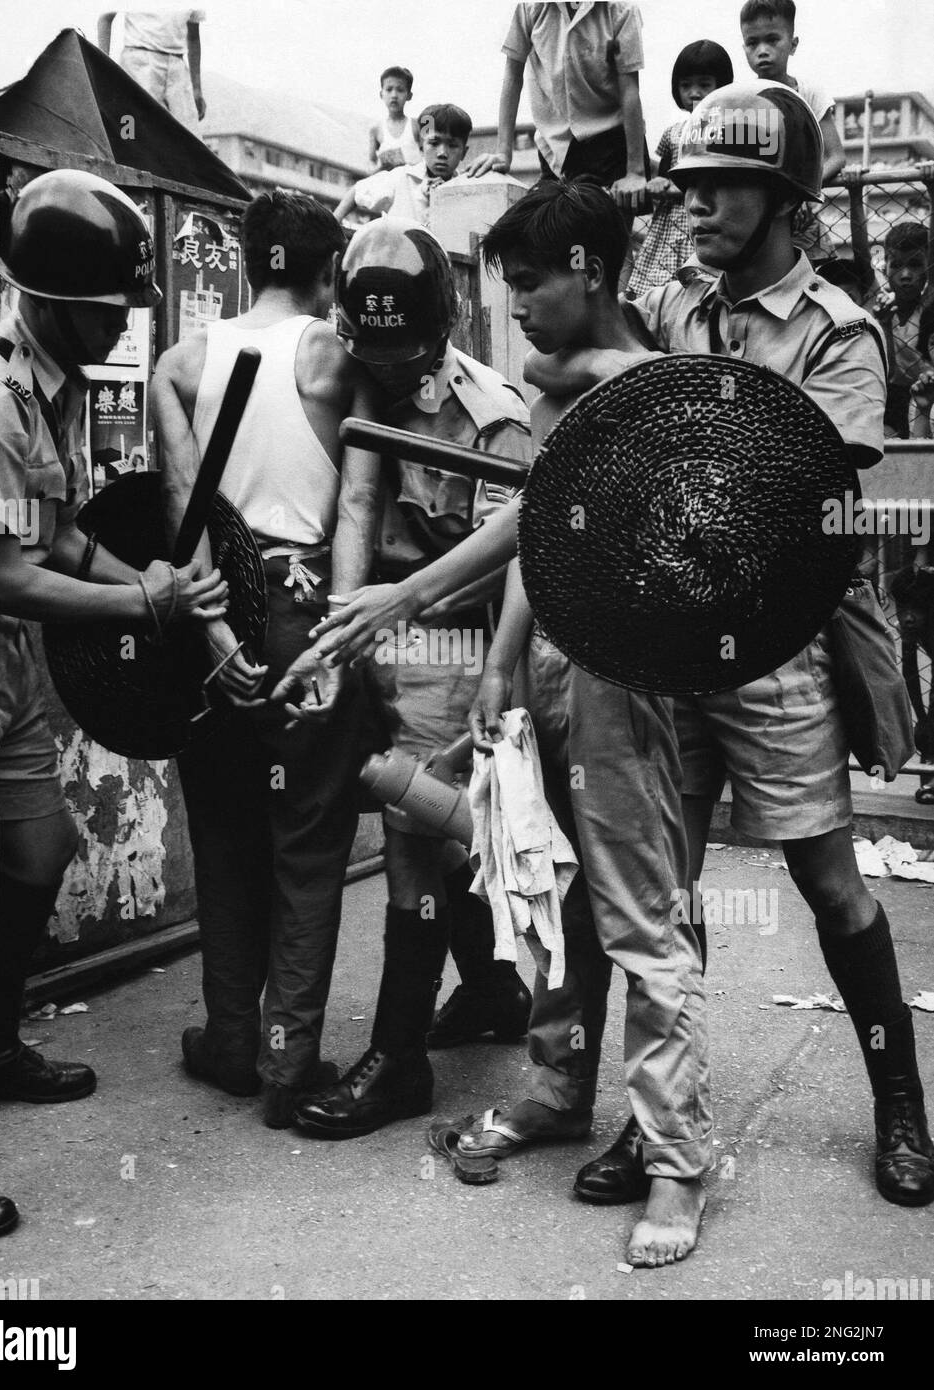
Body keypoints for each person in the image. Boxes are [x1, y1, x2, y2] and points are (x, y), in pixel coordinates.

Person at [529, 81, 934, 1209]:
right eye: (691, 186)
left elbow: (807, 483)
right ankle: (665, 1128)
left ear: (782, 199)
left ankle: (899, 1099)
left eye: (722, 188)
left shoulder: (838, 334)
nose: (696, 205)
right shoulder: (672, 311)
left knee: (828, 882)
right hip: (671, 642)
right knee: (668, 895)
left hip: (777, 647)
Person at [305, 186, 714, 1268]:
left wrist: (400, 598)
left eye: (529, 282)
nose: (517, 306)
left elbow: (535, 513)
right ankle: (553, 1087)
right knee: (554, 899)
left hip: (626, 681)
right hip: (547, 666)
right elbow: (539, 532)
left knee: (638, 917)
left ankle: (674, 1162)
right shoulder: (554, 386)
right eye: (505, 284)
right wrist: (496, 664)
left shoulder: (652, 394)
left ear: (588, 268)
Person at [0, 169, 228, 1240]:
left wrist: (147, 578)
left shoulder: (47, 383)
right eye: (113, 306)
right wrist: (137, 602)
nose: (125, 322)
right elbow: (2, 572)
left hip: (2, 653)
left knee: (39, 853)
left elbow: (55, 538)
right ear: (52, 297)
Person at [292, 218, 534, 1143]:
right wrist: (344, 624)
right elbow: (357, 499)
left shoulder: (494, 417)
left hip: (453, 642)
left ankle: (397, 1061)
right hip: (385, 633)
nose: (390, 372)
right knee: (440, 839)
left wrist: (404, 609)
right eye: (374, 354)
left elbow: (514, 557)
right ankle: (492, 988)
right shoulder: (372, 379)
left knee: (411, 831)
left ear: (443, 328)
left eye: (407, 355)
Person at [151, 191, 382, 1130]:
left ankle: (229, 1043)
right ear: (328, 272)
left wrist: (208, 636)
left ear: (248, 263)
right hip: (303, 611)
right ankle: (291, 1063)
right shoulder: (341, 358)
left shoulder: (180, 361)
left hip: (213, 618)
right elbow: (358, 503)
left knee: (222, 831)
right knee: (309, 842)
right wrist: (335, 636)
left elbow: (182, 511)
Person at [467, 3, 650, 218]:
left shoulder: (620, 10)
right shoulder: (530, 8)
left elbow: (629, 90)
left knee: (607, 243)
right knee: (548, 237)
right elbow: (512, 76)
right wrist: (503, 151)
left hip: (610, 145)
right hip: (555, 147)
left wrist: (635, 173)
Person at [739, 0, 844, 261]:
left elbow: (836, 157)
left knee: (815, 281)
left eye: (772, 40)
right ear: (744, 48)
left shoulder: (808, 93)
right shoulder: (744, 100)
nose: (762, 51)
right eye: (753, 43)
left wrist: (799, 194)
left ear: (793, 44)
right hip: (758, 215)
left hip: (802, 214)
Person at [627, 38, 733, 297]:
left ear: (722, 87)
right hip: (670, 221)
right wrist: (660, 184)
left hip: (704, 214)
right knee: (659, 286)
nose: (694, 92)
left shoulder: (726, 131)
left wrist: (678, 187)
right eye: (686, 86)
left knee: (702, 285)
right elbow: (663, 175)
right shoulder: (673, 133)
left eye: (704, 85)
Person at [335, 103, 472, 227]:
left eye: (453, 145)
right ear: (421, 146)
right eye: (434, 143)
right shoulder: (401, 178)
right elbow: (356, 192)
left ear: (464, 153)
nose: (442, 153)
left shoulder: (467, 190)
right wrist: (332, 226)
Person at [870, 222, 934, 439]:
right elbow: (887, 373)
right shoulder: (882, 305)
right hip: (893, 398)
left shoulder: (929, 305)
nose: (905, 274)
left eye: (915, 264)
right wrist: (885, 325)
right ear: (885, 266)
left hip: (928, 392)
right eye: (896, 265)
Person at [98, 7, 207, 128]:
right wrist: (102, 70)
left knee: (189, 133)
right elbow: (105, 18)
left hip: (177, 64)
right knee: (134, 129)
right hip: (139, 61)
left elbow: (193, 37)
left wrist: (197, 89)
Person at [891, 564, 934, 804]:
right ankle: (929, 771)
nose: (908, 616)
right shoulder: (909, 622)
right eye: (902, 608)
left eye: (916, 610)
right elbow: (910, 672)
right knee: (927, 729)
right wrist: (921, 718)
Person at [369, 66, 421, 171]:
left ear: (409, 95)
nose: (394, 95)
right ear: (381, 94)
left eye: (400, 90)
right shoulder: (375, 129)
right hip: (388, 184)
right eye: (389, 90)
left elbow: (429, 154)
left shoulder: (417, 124)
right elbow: (371, 164)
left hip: (415, 183)